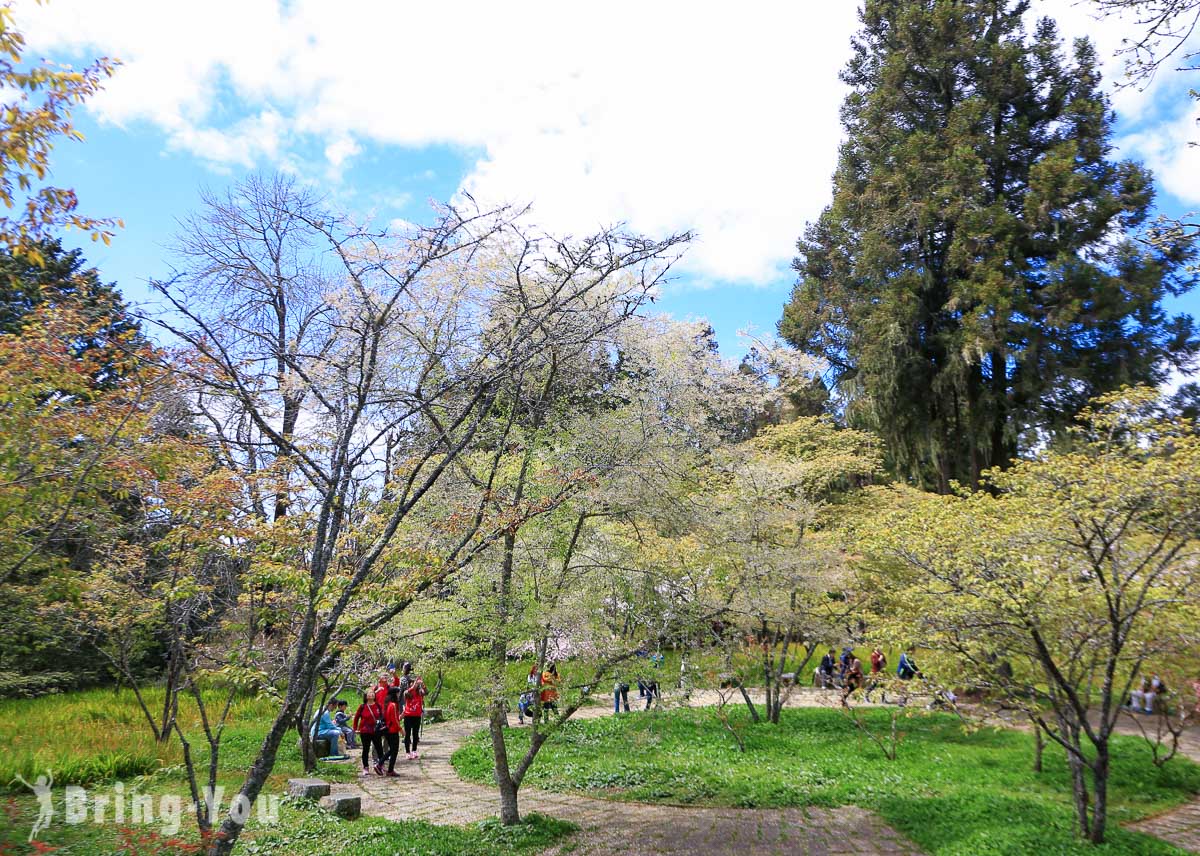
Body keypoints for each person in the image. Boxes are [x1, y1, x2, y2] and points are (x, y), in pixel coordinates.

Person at [352, 690, 385, 777]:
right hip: (365, 731)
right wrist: (355, 728)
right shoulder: (362, 706)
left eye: (372, 693)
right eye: (369, 693)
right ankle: (365, 767)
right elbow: (356, 718)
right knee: (365, 749)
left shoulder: (378, 706)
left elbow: (382, 716)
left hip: (376, 731)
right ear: (366, 696)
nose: (371, 694)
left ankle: (380, 765)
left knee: (379, 748)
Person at [402, 673, 426, 759]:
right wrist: (413, 686)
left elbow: (426, 692)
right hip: (408, 716)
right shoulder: (407, 693)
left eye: (415, 683)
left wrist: (422, 684)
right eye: (411, 683)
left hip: (417, 716)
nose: (414, 684)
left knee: (415, 734)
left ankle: (414, 751)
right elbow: (407, 692)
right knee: (407, 734)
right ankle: (407, 752)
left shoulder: (420, 692)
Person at [382, 686, 402, 776]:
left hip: (387, 730)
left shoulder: (387, 704)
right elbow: (394, 720)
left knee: (392, 750)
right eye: (398, 693)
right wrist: (401, 729)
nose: (399, 695)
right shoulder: (393, 705)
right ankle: (387, 768)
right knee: (394, 750)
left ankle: (386, 767)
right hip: (392, 730)